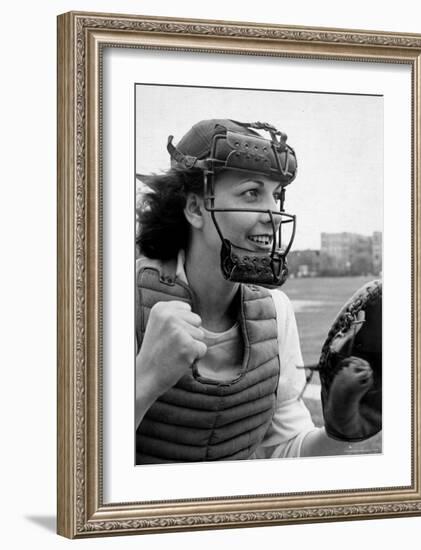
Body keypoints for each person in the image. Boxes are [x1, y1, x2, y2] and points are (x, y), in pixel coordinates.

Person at [135, 119, 378, 464]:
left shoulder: (275, 313)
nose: (275, 215)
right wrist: (145, 377)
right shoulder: (121, 303)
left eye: (276, 196)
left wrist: (340, 431)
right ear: (194, 208)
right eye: (252, 193)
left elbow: (283, 451)